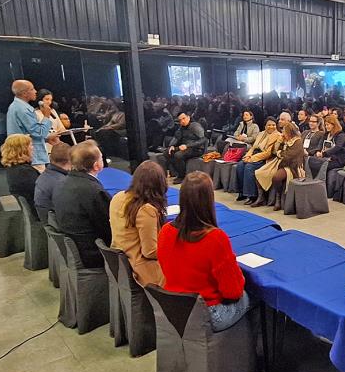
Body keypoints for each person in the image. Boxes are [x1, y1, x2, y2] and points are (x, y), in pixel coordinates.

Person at [157, 172, 251, 331]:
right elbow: (233, 292)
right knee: (251, 296)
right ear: (209, 200)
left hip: (174, 309)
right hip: (207, 313)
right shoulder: (215, 238)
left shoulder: (166, 231)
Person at [52, 140, 111, 269]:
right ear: (97, 165)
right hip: (94, 253)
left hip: (76, 248)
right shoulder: (94, 192)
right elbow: (108, 228)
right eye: (101, 157)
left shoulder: (61, 183)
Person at [109, 161, 167, 287]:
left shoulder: (118, 197)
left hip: (121, 262)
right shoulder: (146, 210)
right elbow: (150, 251)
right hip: (141, 268)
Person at [254, 122, 305, 208]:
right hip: (279, 162)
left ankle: (278, 198)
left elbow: (290, 156)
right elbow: (275, 151)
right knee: (259, 173)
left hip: (292, 166)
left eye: (285, 131)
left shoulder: (297, 141)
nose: (283, 133)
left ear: (289, 132)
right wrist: (279, 143)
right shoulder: (284, 140)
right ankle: (261, 197)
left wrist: (280, 153)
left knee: (276, 177)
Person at [6, 79, 53, 169]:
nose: (35, 92)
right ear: (24, 93)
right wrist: (46, 116)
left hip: (22, 155)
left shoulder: (15, 106)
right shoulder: (23, 109)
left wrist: (46, 139)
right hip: (32, 157)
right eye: (32, 89)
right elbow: (39, 133)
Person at [234, 117, 280, 204]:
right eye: (269, 125)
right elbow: (253, 147)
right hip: (255, 154)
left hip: (266, 159)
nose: (271, 127)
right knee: (240, 165)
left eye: (273, 125)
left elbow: (268, 153)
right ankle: (242, 192)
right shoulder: (261, 134)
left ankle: (252, 195)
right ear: (265, 126)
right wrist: (247, 156)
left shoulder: (277, 135)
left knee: (249, 167)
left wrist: (252, 159)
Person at [1, 134, 40, 218]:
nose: (32, 148)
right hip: (39, 213)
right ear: (22, 149)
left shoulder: (13, 169)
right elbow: (41, 193)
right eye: (30, 145)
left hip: (32, 210)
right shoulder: (25, 172)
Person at [34, 142, 71, 222]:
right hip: (58, 225)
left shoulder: (44, 176)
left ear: (50, 157)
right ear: (70, 160)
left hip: (48, 221)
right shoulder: (62, 183)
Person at [165, 112, 206, 183]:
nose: (182, 121)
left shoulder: (195, 126)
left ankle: (182, 176)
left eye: (184, 118)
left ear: (188, 117)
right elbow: (176, 138)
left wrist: (188, 146)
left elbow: (203, 139)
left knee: (178, 155)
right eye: (180, 120)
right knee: (167, 152)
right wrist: (171, 146)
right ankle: (175, 172)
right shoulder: (181, 128)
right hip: (184, 147)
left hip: (196, 148)